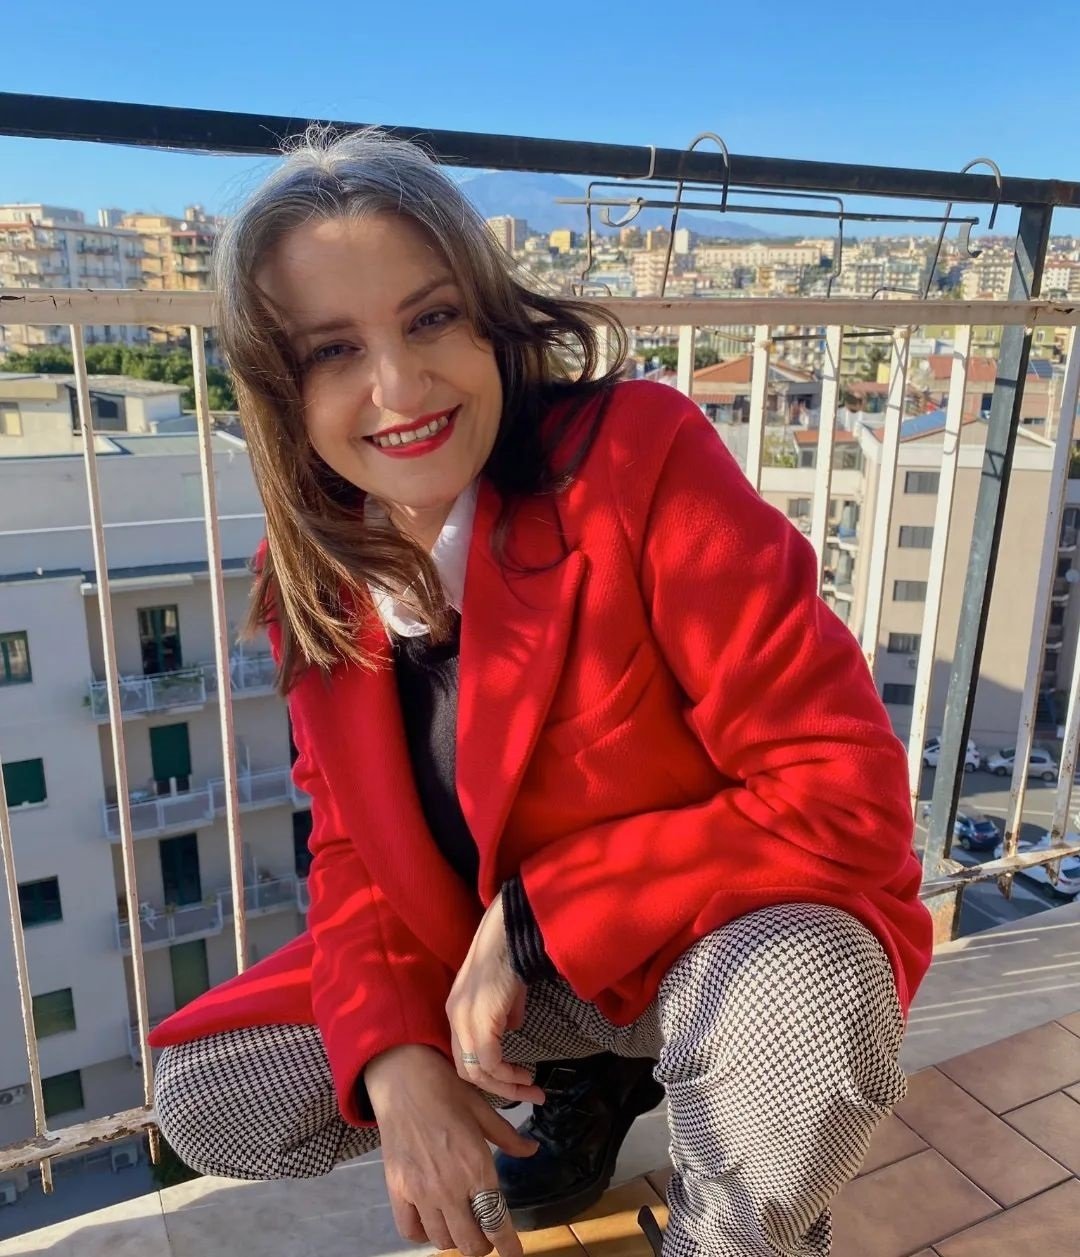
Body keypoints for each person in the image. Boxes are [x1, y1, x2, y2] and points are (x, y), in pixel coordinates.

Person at [148, 127, 934, 1257]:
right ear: (282, 392)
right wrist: (397, 1059)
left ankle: (733, 1233)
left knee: (802, 1012)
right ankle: (586, 1077)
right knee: (212, 1090)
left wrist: (534, 917)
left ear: (491, 321)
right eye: (333, 350)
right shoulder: (309, 569)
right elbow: (351, 850)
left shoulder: (636, 458)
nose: (398, 386)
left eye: (430, 319)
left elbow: (843, 794)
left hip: (706, 935)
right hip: (502, 974)